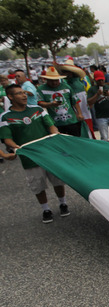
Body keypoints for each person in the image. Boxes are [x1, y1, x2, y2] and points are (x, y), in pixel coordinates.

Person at [0, 84, 69, 223]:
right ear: (11, 97)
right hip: (29, 156)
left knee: (57, 180)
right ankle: (46, 210)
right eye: (19, 93)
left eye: (24, 92)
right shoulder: (6, 117)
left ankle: (63, 203)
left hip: (49, 153)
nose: (24, 95)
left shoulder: (38, 109)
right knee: (38, 184)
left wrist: (55, 133)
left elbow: (51, 125)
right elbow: (7, 139)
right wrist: (16, 147)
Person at [36, 66, 84, 137]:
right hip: (56, 123)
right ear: (46, 79)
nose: (54, 83)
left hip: (71, 121)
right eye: (51, 80)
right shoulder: (41, 89)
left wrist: (79, 113)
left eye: (56, 80)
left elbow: (75, 101)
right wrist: (50, 104)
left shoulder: (66, 87)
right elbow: (40, 103)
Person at [56, 59, 94, 138]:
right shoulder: (66, 83)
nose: (64, 74)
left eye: (66, 71)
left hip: (82, 111)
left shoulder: (77, 83)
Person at [87, 70, 109, 141]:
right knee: (104, 137)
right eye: (99, 80)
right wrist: (97, 94)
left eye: (102, 80)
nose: (101, 82)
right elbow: (89, 102)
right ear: (95, 80)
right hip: (100, 117)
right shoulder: (92, 89)